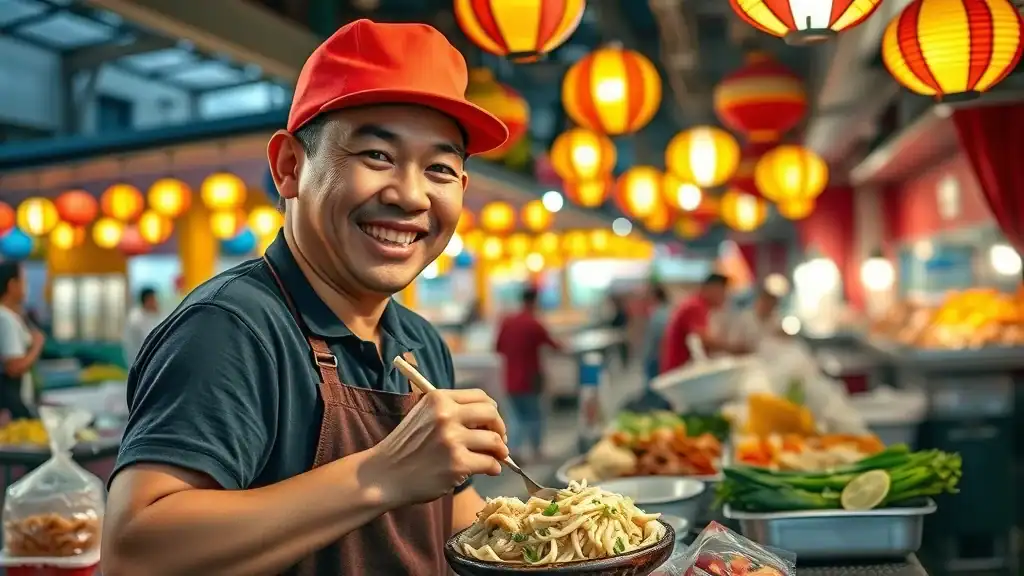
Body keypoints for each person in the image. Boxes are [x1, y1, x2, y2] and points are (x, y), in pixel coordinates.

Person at [102, 20, 511, 576]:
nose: (412, 195)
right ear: (289, 167)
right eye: (377, 156)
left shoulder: (420, 342)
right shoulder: (232, 328)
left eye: (439, 168)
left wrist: (568, 536)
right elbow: (134, 551)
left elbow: (456, 519)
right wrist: (382, 474)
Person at [494, 286, 561, 463]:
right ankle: (536, 451)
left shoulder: (508, 322)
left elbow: (498, 347)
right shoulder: (534, 323)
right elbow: (555, 345)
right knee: (535, 415)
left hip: (510, 378)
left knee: (516, 417)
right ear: (535, 301)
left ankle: (514, 450)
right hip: (531, 379)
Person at [660, 273, 748, 373]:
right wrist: (733, 350)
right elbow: (704, 339)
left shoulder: (696, 305)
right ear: (711, 289)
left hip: (680, 370)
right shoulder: (695, 306)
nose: (725, 297)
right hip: (678, 372)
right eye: (722, 292)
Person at [0, 262, 43, 420]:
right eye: (24, 281)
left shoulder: (12, 316)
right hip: (12, 407)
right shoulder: (5, 319)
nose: (27, 286)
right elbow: (14, 367)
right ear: (12, 285)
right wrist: (37, 345)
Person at [728, 288, 782, 352]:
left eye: (771, 304)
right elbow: (732, 343)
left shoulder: (777, 321)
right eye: (765, 302)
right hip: (744, 357)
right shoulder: (745, 318)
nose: (767, 306)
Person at [122, 287, 163, 365]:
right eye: (154, 299)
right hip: (139, 360)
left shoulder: (153, 315)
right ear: (147, 300)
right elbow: (149, 338)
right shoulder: (135, 318)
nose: (156, 302)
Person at [640, 283, 670, 384]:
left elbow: (660, 339)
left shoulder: (660, 315)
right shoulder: (663, 312)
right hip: (657, 357)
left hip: (656, 359)